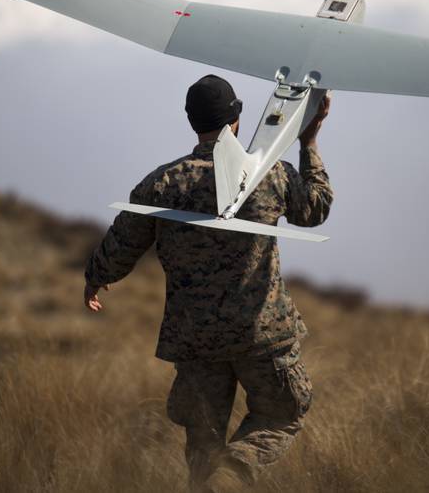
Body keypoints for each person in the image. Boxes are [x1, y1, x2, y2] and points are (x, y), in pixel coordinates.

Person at [83, 73, 333, 491]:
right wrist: (309, 143)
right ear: (236, 117)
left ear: (191, 121)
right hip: (262, 336)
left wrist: (96, 278)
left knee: (202, 441)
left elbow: (123, 242)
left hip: (196, 341)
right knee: (280, 416)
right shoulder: (268, 175)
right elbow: (315, 208)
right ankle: (231, 477)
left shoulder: (162, 184)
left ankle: (214, 481)